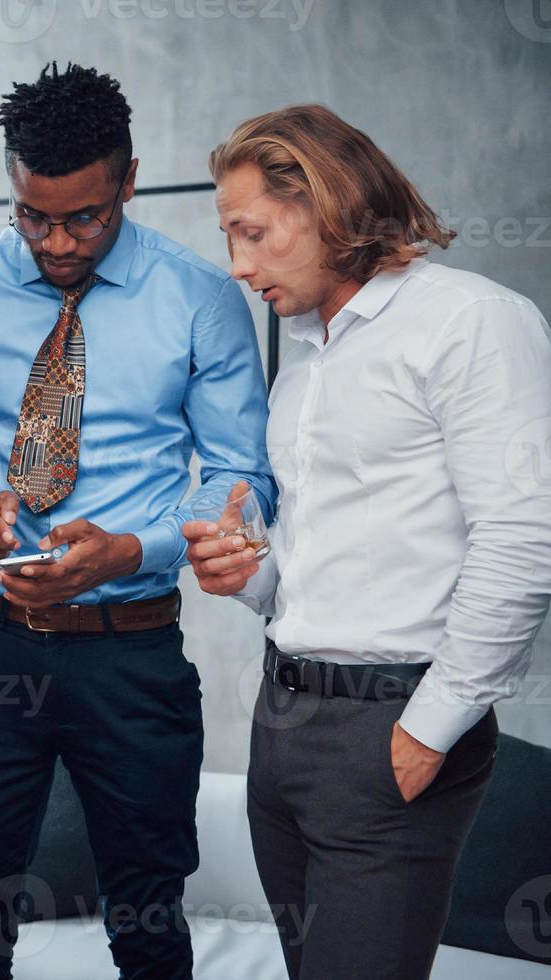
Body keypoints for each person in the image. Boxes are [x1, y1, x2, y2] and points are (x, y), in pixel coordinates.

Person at [0, 63, 276, 979]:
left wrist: (133, 551)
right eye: (34, 215)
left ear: (130, 180)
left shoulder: (201, 298)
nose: (57, 242)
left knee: (150, 923)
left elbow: (239, 475)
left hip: (131, 653)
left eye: (85, 217)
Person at [186, 104, 551, 980]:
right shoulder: (307, 360)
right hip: (282, 727)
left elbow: (527, 535)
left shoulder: (471, 322)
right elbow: (315, 568)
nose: (237, 266)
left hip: (392, 726)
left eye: (253, 233)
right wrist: (247, 572)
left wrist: (431, 728)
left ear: (325, 204)